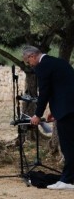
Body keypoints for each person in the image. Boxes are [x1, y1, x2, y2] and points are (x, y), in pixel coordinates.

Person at [24, 45, 74, 189]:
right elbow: (62, 87)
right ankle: (68, 178)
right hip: (69, 108)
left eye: (28, 62)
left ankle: (67, 181)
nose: (30, 65)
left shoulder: (42, 66)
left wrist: (37, 115)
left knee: (68, 145)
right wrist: (55, 110)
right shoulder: (58, 62)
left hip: (67, 110)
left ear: (32, 56)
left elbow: (45, 92)